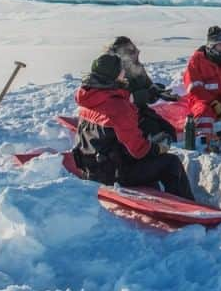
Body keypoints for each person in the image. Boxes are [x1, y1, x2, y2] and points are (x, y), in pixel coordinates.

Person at [72, 53, 194, 199]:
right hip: (114, 174)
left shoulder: (88, 98)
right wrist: (157, 148)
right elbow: (138, 150)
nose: (124, 73)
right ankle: (187, 207)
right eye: (121, 70)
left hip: (91, 169)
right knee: (171, 163)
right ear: (113, 75)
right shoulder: (117, 105)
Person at [106, 36, 178, 140]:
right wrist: (147, 94)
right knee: (154, 134)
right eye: (130, 52)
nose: (135, 55)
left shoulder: (136, 67)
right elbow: (121, 99)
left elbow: (148, 85)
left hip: (140, 111)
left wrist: (158, 92)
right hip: (121, 117)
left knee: (169, 131)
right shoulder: (112, 71)